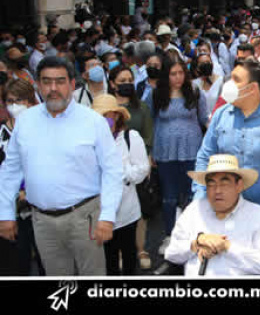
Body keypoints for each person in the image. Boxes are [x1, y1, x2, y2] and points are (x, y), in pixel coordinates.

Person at [0, 56, 123, 275]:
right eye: (46, 82)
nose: (53, 88)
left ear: (73, 84)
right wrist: (5, 213)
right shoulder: (26, 122)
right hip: (42, 222)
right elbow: (10, 170)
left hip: (85, 218)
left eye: (60, 81)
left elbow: (112, 171)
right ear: (38, 85)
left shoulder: (93, 122)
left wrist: (107, 216)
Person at [193, 57, 260, 274]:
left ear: (252, 88)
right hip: (225, 210)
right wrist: (200, 197)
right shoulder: (221, 116)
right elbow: (205, 156)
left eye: (235, 79)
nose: (228, 84)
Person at [164, 154, 260, 276]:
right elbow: (171, 253)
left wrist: (227, 247)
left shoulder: (258, 215)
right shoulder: (194, 209)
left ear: (239, 185)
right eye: (211, 184)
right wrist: (196, 244)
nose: (217, 190)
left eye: (224, 183)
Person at [152, 54, 207, 253]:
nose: (178, 77)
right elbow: (151, 122)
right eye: (173, 73)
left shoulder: (194, 91)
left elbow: (203, 119)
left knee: (193, 194)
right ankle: (170, 235)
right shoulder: (156, 94)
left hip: (192, 150)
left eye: (181, 72)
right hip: (165, 152)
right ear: (166, 75)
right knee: (169, 196)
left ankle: (193, 235)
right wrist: (151, 151)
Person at [92, 95, 149, 276]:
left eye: (105, 115)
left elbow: (141, 171)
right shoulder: (89, 142)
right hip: (100, 214)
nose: (102, 121)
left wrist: (119, 172)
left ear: (116, 115)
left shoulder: (130, 138)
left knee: (129, 255)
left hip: (127, 212)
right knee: (108, 260)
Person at [107, 65, 156, 270]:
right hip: (113, 172)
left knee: (139, 212)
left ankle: (140, 248)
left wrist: (144, 163)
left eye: (130, 79)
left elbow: (148, 135)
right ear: (112, 84)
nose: (127, 84)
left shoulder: (141, 107)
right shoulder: (105, 108)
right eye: (122, 80)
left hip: (137, 163)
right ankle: (116, 253)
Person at [0, 79, 44, 275]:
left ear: (31, 102)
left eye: (21, 100)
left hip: (44, 211)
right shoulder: (1, 136)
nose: (16, 106)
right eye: (11, 101)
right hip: (13, 213)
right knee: (16, 267)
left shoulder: (44, 130)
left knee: (50, 267)